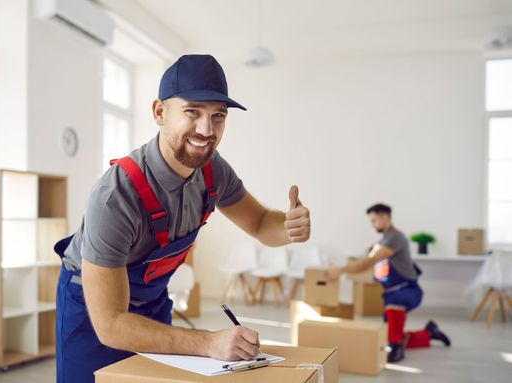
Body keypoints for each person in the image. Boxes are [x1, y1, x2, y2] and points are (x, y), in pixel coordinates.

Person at [53, 54, 311, 383]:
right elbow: (112, 324)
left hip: (150, 304)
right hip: (92, 312)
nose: (206, 130)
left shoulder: (213, 171)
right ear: (160, 112)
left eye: (218, 116)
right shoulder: (116, 195)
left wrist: (288, 228)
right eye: (192, 112)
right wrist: (208, 343)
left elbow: (260, 223)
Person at [326, 203, 450, 363]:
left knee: (394, 332)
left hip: (407, 291)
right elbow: (368, 258)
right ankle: (429, 333)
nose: (372, 225)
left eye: (374, 220)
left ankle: (397, 348)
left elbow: (368, 262)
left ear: (385, 217)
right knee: (388, 336)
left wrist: (341, 270)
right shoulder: (383, 240)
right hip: (391, 294)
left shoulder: (395, 238)